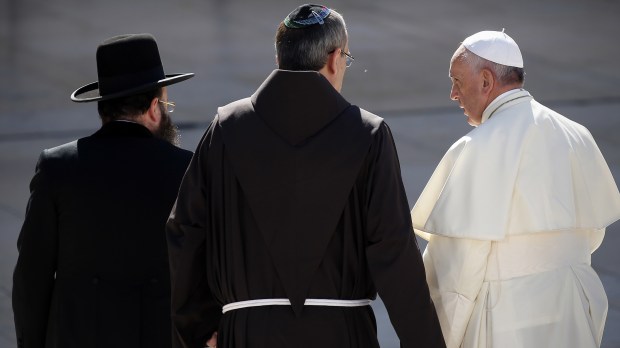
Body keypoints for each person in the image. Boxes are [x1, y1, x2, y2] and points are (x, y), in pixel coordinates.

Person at [166, 4, 445, 348]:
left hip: (246, 334)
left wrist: (196, 333)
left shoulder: (225, 129)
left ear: (280, 59)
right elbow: (394, 251)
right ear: (334, 58)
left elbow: (186, 233)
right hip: (342, 334)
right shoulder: (368, 134)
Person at [411, 30, 620, 348]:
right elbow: (590, 236)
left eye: (457, 81)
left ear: (485, 81)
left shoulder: (476, 147)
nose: (454, 94)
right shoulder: (577, 135)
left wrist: (433, 338)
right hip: (571, 312)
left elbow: (456, 269)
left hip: (504, 319)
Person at [12, 33, 194, 348]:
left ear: (103, 109)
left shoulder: (57, 166)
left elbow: (32, 278)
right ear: (154, 108)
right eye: (167, 104)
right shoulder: (186, 169)